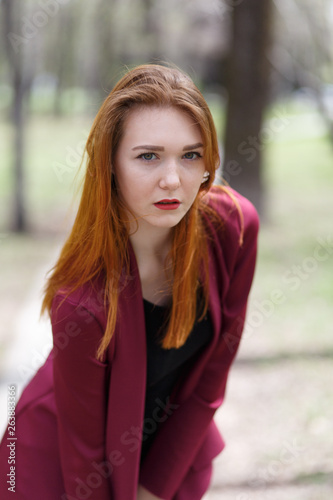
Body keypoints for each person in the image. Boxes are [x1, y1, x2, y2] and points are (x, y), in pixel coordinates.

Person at [0, 64, 259, 500]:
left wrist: (154, 485)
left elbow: (215, 368)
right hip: (58, 468)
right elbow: (84, 456)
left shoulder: (232, 227)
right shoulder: (81, 303)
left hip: (169, 458)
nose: (173, 179)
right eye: (148, 156)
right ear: (111, 165)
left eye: (191, 155)